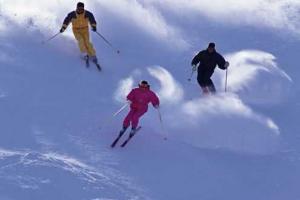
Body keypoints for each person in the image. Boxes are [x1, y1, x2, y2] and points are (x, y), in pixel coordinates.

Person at [60, 2, 100, 69]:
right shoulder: (72, 14)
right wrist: (63, 28)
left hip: (85, 29)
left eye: (82, 9)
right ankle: (84, 54)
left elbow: (92, 20)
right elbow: (66, 21)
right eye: (79, 8)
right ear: (77, 8)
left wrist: (94, 26)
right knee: (81, 40)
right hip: (76, 30)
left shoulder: (87, 14)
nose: (80, 10)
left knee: (87, 42)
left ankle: (93, 55)